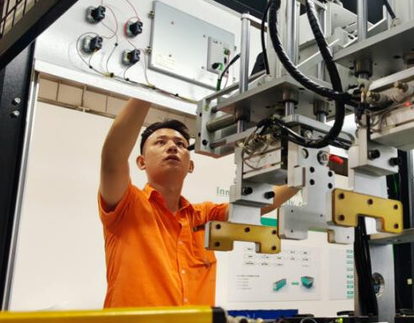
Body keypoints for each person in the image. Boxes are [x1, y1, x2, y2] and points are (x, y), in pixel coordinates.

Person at [99, 98, 296, 308]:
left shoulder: (204, 216)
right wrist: (148, 90)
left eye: (180, 144)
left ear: (190, 166)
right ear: (141, 162)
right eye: (160, 142)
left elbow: (262, 203)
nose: (172, 147)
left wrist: (306, 171)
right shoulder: (127, 205)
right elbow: (113, 160)